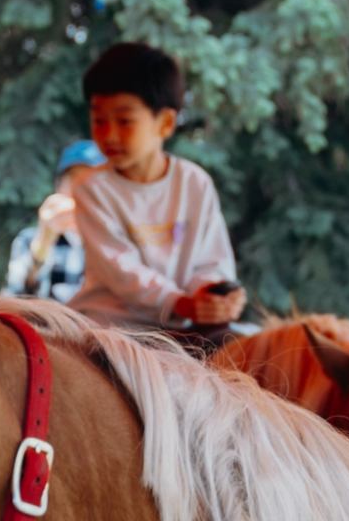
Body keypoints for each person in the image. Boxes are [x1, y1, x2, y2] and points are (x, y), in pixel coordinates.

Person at [67, 44, 246, 333]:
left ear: (165, 123)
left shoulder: (194, 182)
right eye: (99, 120)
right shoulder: (91, 188)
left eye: (124, 121)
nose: (109, 134)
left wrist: (214, 295)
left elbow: (212, 261)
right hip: (109, 329)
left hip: (181, 328)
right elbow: (122, 272)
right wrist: (178, 303)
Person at [6, 139, 101, 302]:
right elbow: (14, 301)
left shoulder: (119, 244)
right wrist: (43, 243)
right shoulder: (29, 241)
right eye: (75, 180)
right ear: (59, 187)